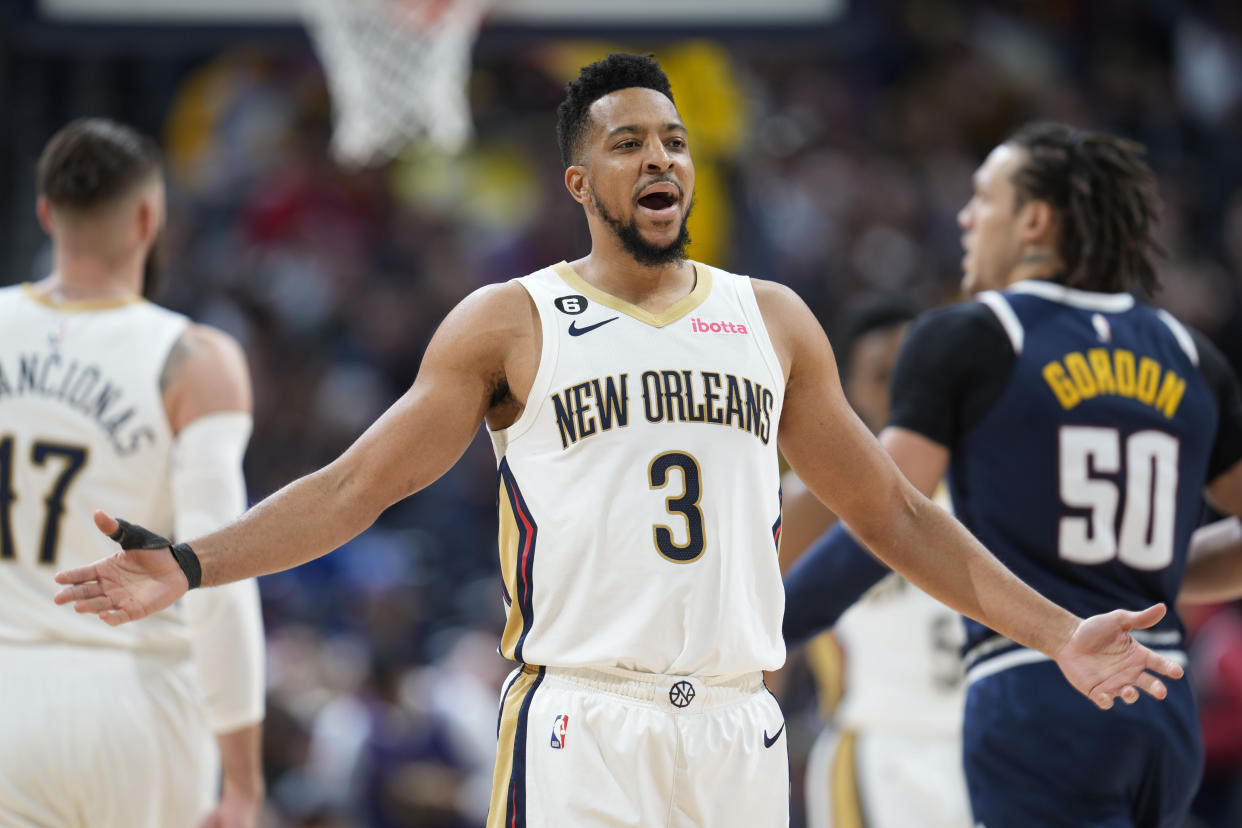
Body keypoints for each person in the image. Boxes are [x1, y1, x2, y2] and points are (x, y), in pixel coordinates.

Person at [56, 59, 1182, 828]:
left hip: (740, 723)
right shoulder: (510, 321)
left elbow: (891, 513)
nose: (663, 160)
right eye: (631, 142)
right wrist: (194, 563)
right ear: (580, 180)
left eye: (677, 142)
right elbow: (358, 486)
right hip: (583, 718)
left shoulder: (775, 318)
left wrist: (1057, 634)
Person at [784, 121, 1242, 827]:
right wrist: (1148, 578)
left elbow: (888, 512)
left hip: (1041, 686)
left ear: (1033, 219)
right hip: (1162, 701)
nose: (966, 217)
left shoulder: (973, 335)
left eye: (982, 198)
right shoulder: (1191, 354)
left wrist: (769, 624)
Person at [0, 118, 266, 827]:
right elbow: (219, 574)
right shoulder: (196, 358)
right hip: (135, 700)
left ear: (47, 212)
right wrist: (242, 779)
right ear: (150, 217)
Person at [779, 297, 971, 828]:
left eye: (913, 370)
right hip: (876, 746)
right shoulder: (807, 503)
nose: (902, 388)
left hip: (986, 741)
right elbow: (767, 648)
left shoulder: (984, 485)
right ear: (851, 391)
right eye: (883, 375)